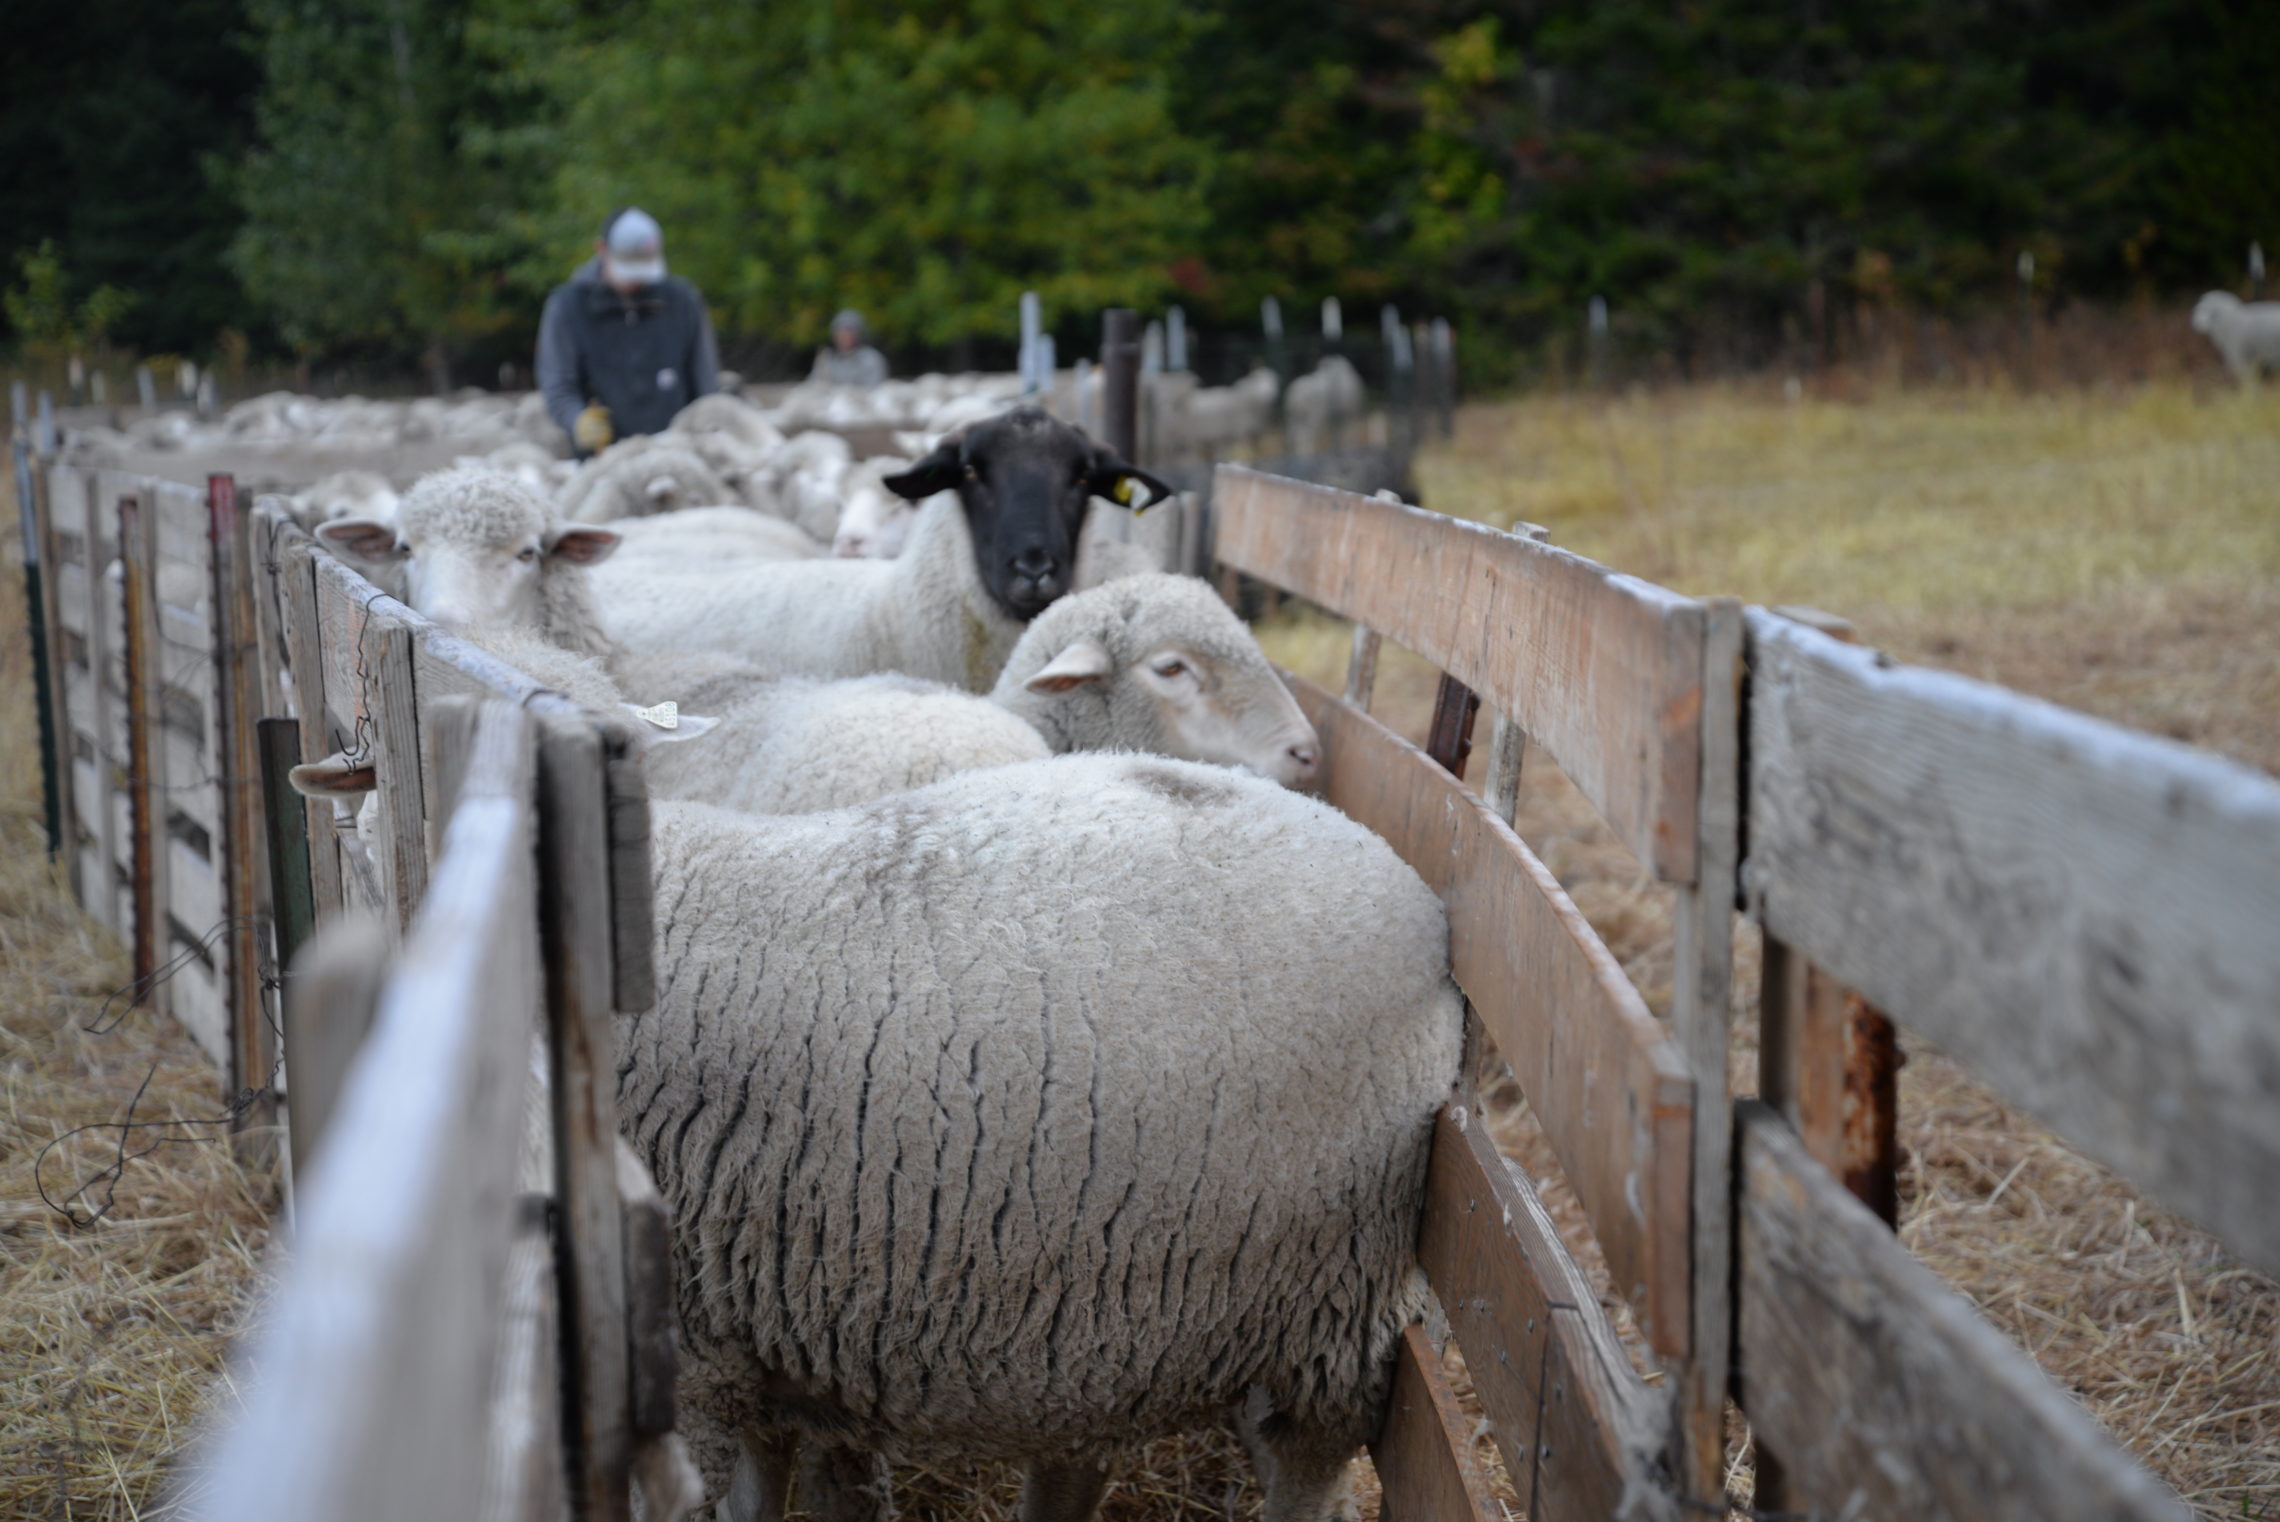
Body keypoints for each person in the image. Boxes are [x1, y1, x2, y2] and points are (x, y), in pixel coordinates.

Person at [537, 207, 720, 456]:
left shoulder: (683, 301)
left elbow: (707, 386)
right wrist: (577, 421)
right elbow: (558, 384)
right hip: (603, 462)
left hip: (677, 456)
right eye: (629, 268)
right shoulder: (569, 307)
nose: (637, 280)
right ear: (602, 250)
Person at [809, 308, 889, 388]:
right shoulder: (827, 359)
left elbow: (875, 388)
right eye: (840, 331)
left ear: (859, 333)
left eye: (849, 331)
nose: (844, 335)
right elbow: (813, 386)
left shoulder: (871, 359)